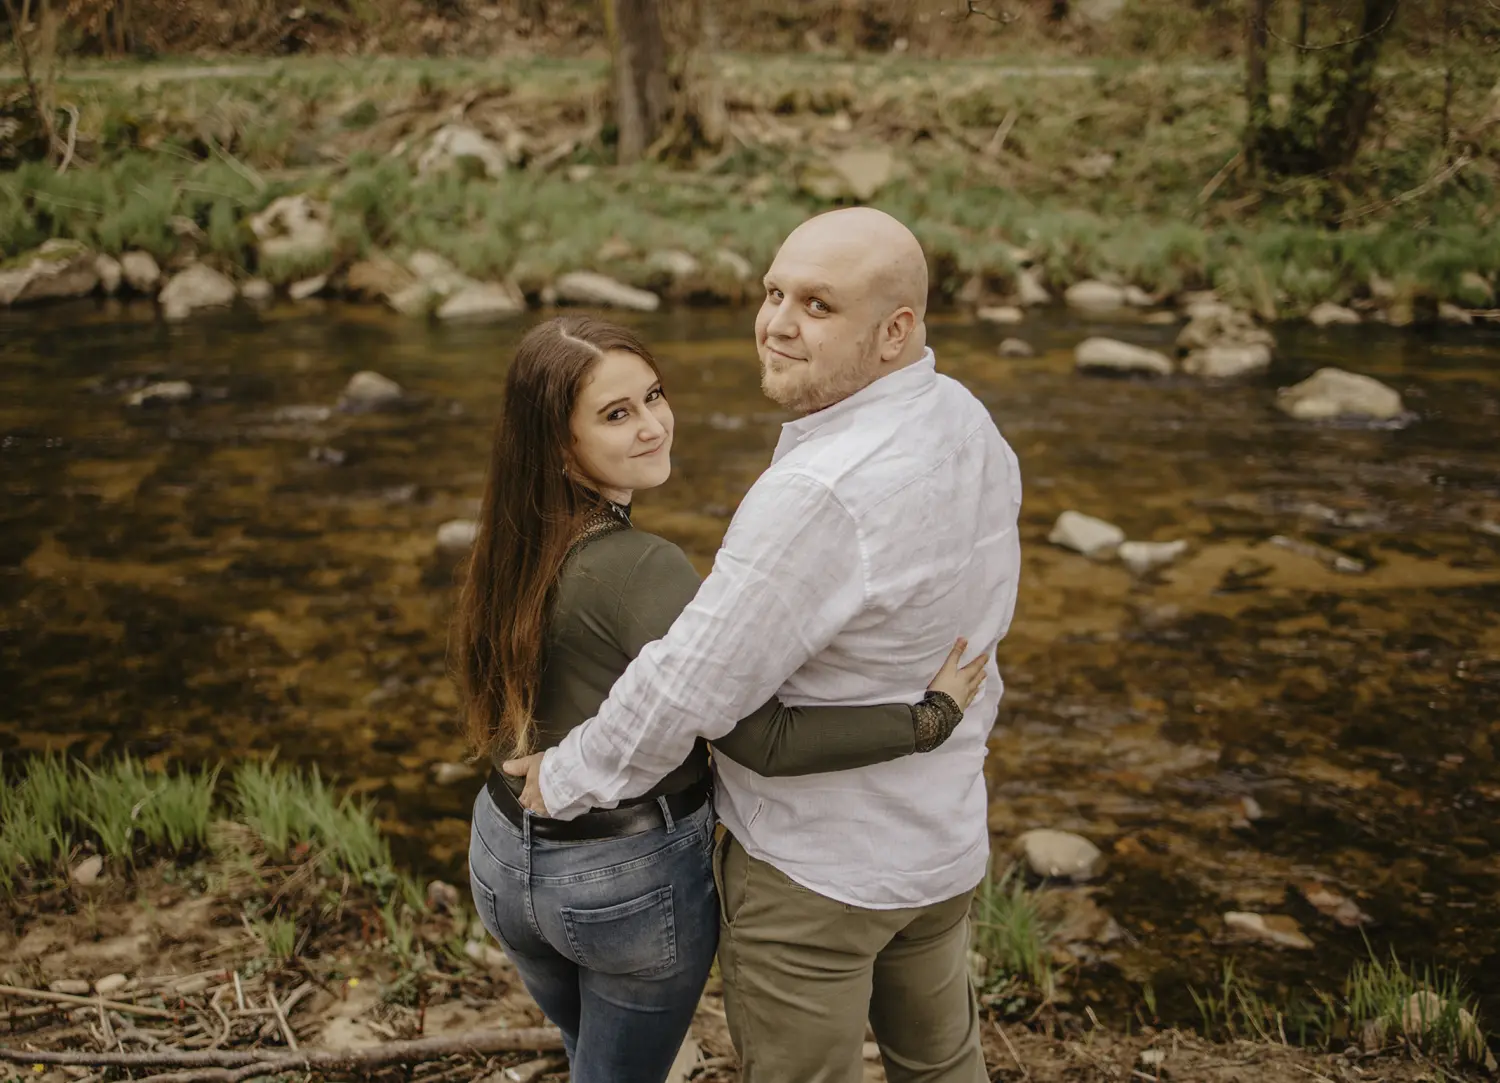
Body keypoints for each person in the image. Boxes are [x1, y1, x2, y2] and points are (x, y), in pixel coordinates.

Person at [506, 208, 1023, 1083]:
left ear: (895, 330)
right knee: (942, 1067)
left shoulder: (821, 492)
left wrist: (572, 771)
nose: (776, 322)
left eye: (817, 305)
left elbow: (693, 684)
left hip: (818, 873)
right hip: (940, 845)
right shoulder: (964, 419)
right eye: (774, 290)